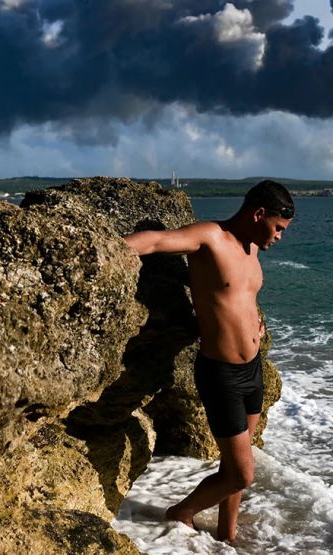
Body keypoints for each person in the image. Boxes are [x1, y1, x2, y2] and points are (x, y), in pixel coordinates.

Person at [123, 179, 295, 543]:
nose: (279, 237)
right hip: (222, 375)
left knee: (235, 464)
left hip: (252, 371)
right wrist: (108, 251)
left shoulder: (253, 248)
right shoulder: (211, 237)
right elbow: (155, 240)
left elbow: (239, 297)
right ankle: (181, 512)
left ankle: (227, 536)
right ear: (258, 213)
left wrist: (254, 327)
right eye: (278, 228)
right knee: (242, 474)